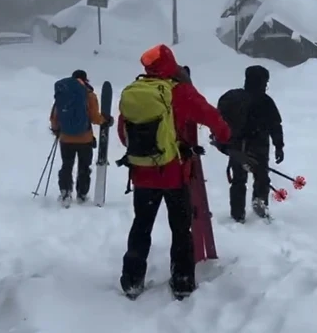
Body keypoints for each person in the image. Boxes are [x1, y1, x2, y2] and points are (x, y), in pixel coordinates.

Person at [116, 46, 231, 299]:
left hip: (142, 174)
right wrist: (224, 135)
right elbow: (212, 116)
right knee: (180, 228)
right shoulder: (181, 92)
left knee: (141, 225)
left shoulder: (136, 93)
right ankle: (181, 280)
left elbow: (124, 134)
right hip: (174, 174)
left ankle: (132, 280)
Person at [216, 65, 284, 222]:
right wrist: (279, 146)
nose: (266, 85)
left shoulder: (233, 98)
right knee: (261, 179)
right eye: (265, 82)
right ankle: (260, 209)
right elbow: (275, 126)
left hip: (237, 147)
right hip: (259, 146)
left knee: (239, 181)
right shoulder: (266, 102)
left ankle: (237, 215)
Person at [50, 69, 112, 205]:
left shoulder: (63, 94)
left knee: (67, 165)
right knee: (84, 166)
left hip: (66, 138)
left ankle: (65, 192)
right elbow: (95, 117)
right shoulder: (89, 95)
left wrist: (56, 131)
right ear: (85, 80)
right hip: (85, 138)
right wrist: (105, 120)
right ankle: (82, 194)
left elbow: (55, 115)